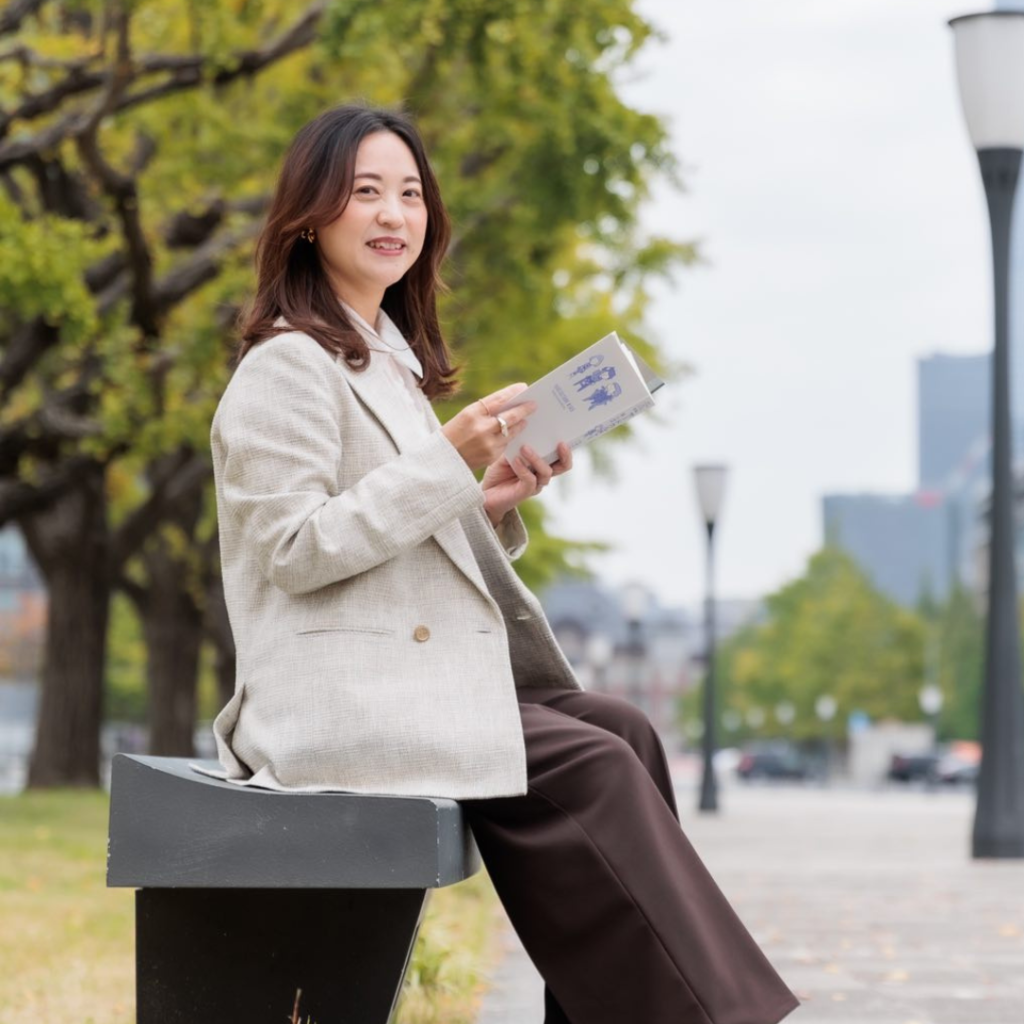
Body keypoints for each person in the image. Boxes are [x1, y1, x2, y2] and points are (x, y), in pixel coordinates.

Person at [208, 103, 799, 1024]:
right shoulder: (286, 366)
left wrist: (484, 497)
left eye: (410, 194)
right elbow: (293, 550)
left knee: (626, 730)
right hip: (337, 698)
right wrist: (445, 461)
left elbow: (397, 524)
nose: (393, 215)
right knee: (593, 767)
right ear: (308, 216)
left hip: (405, 675)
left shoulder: (383, 367)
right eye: (364, 193)